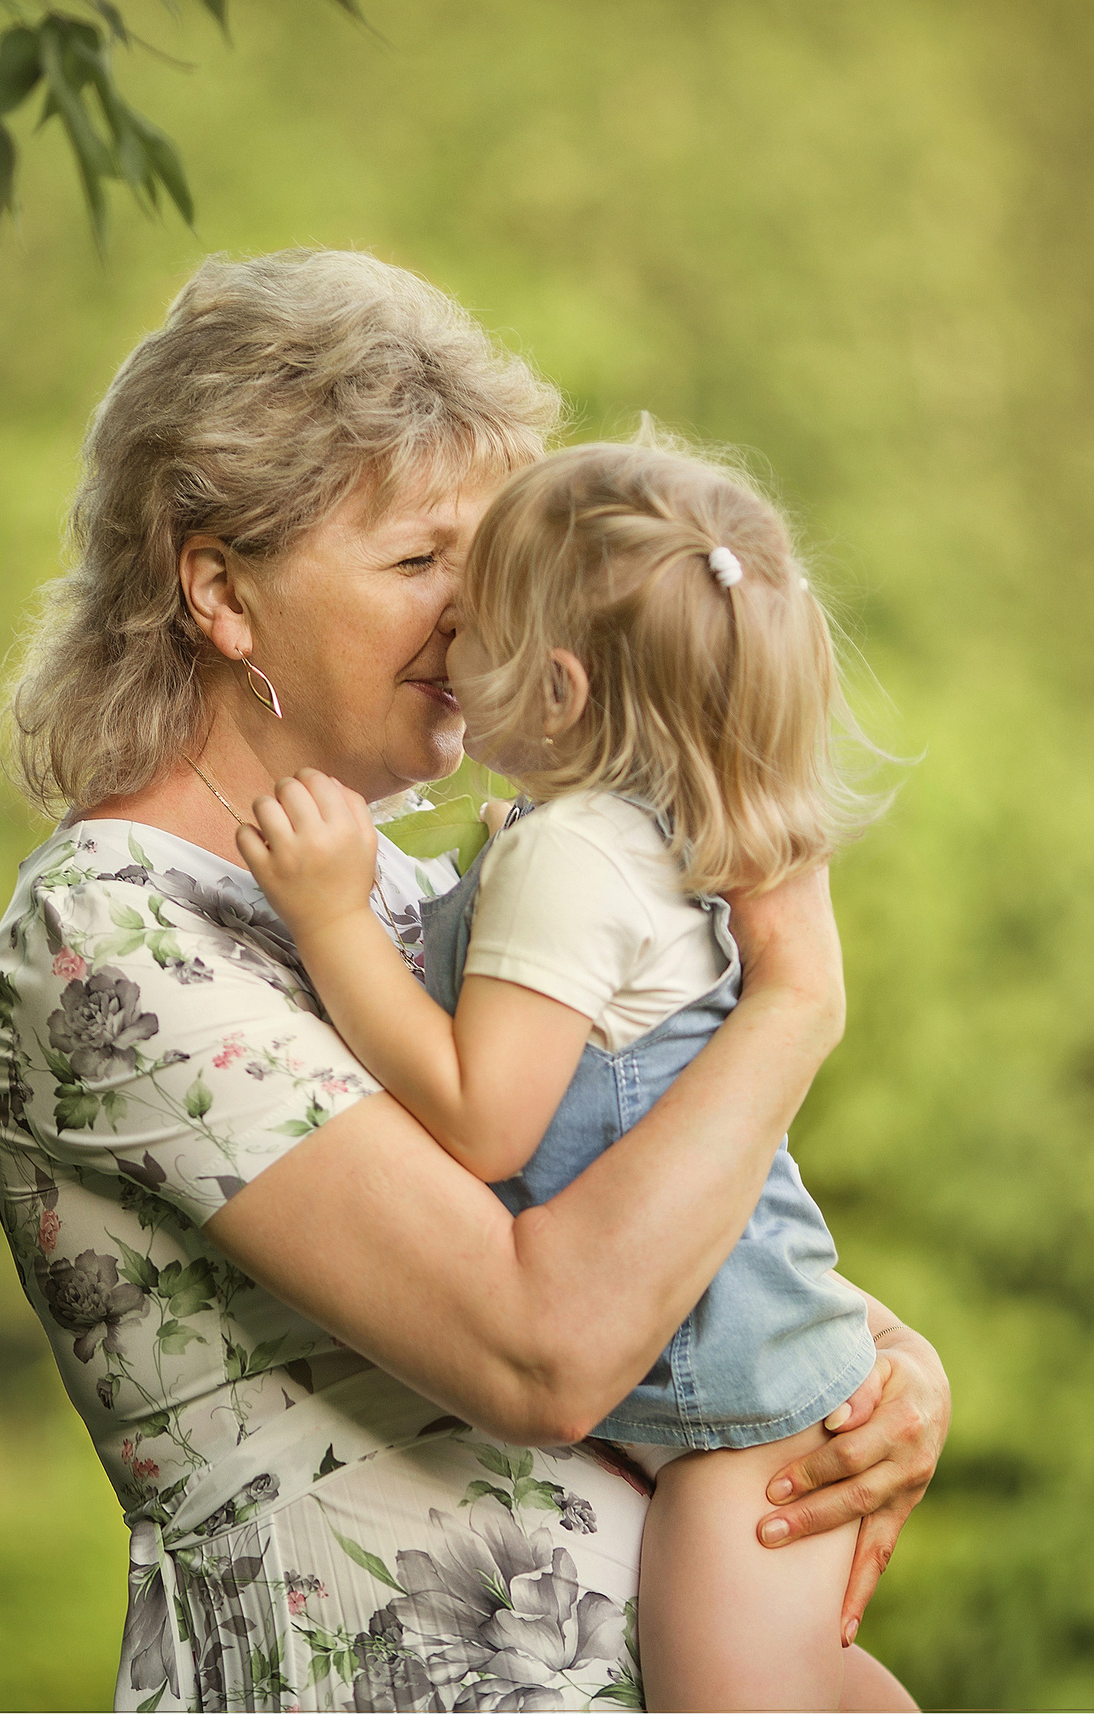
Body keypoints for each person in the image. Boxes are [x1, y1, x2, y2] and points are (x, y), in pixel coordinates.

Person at [0, 248, 949, 1711]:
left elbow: (673, 1233)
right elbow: (545, 1340)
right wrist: (797, 997)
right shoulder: (113, 939)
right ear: (221, 592)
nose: (480, 614)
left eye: (491, 564)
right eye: (421, 559)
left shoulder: (422, 896)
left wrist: (875, 1360)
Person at [235, 436, 892, 1710]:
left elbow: (483, 1121)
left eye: (469, 624)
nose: (441, 648)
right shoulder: (608, 841)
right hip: (732, 1394)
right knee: (793, 1677)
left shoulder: (571, 862)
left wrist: (327, 917)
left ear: (553, 687)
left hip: (734, 1419)